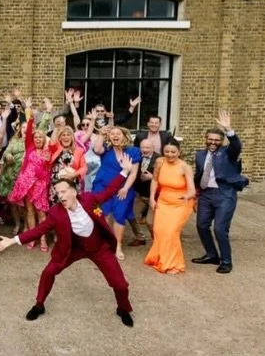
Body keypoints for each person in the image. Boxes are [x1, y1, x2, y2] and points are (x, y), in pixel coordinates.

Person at [0, 154, 136, 327]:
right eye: (57, 193)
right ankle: (39, 305)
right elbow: (39, 230)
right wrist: (14, 240)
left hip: (98, 247)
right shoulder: (56, 213)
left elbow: (109, 191)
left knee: (120, 285)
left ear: (74, 192)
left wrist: (124, 171)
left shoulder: (89, 199)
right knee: (48, 272)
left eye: (63, 192)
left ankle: (123, 309)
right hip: (72, 249)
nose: (60, 196)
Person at [192, 111, 247, 274]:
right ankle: (211, 255)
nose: (213, 142)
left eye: (217, 140)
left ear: (222, 141)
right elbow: (199, 173)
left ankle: (226, 261)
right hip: (206, 194)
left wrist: (229, 129)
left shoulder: (228, 153)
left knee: (220, 229)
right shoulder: (200, 154)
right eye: (210, 139)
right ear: (206, 139)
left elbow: (237, 145)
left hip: (225, 195)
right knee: (201, 225)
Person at [144, 140, 195, 274]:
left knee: (171, 232)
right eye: (167, 151)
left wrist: (187, 196)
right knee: (159, 230)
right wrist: (152, 198)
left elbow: (192, 190)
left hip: (180, 204)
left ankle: (175, 264)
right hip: (163, 202)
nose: (170, 155)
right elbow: (154, 180)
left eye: (173, 152)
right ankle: (159, 257)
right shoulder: (160, 162)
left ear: (179, 152)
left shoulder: (185, 167)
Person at [91, 126, 140, 260]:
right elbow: (96, 149)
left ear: (124, 136)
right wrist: (101, 134)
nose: (115, 136)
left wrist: (125, 188)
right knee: (103, 214)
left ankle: (117, 245)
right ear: (109, 137)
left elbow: (134, 172)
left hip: (123, 188)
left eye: (118, 133)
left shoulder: (133, 151)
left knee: (120, 215)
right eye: (112, 134)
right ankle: (105, 243)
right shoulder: (106, 150)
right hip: (103, 187)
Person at [7, 116, 52, 252]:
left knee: (41, 213)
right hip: (27, 185)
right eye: (36, 137)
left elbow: (48, 169)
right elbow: (27, 135)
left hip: (40, 186)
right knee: (30, 212)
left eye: (40, 137)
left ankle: (43, 239)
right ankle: (32, 237)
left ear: (44, 139)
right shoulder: (29, 147)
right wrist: (30, 117)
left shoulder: (48, 151)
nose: (38, 139)